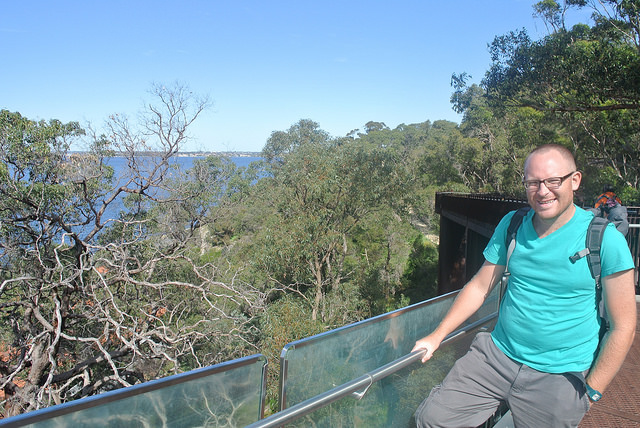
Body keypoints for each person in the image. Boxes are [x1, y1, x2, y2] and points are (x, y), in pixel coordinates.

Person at [412, 144, 636, 428]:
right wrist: (437, 335)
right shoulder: (513, 224)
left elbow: (623, 326)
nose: (542, 191)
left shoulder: (605, 240)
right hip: (496, 356)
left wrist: (590, 392)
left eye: (553, 180)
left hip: (560, 375)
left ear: (575, 180)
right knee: (432, 419)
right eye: (533, 182)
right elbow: (480, 286)